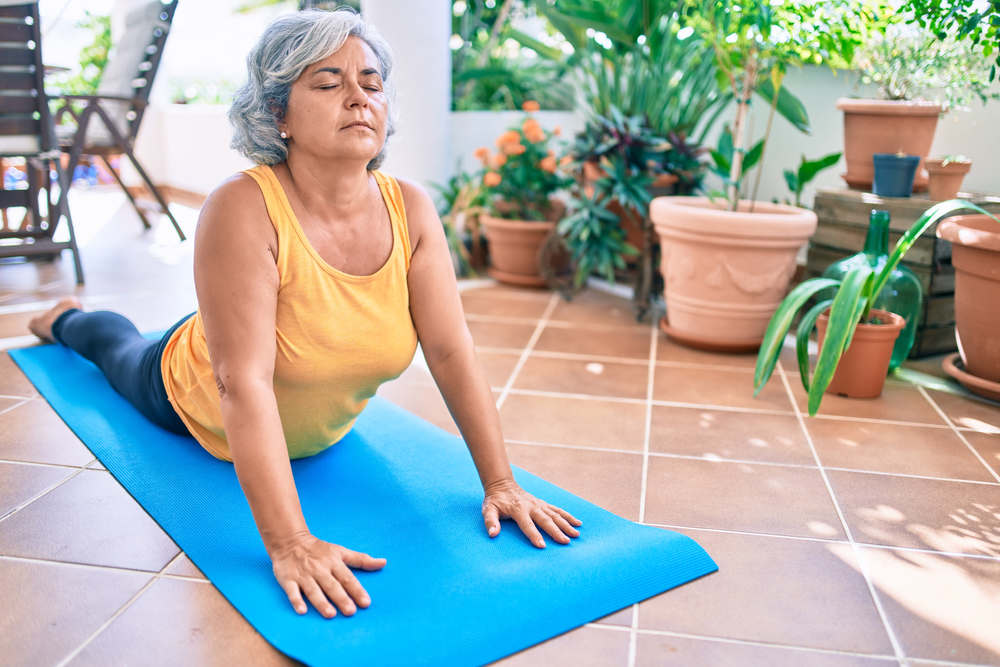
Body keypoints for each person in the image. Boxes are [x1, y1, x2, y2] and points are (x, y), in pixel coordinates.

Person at [27, 8, 581, 620]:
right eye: (327, 83)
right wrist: (290, 543)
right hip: (190, 395)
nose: (358, 98)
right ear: (277, 114)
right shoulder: (241, 206)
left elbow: (451, 351)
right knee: (116, 346)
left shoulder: (412, 209)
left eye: (370, 84)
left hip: (294, 399)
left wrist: (501, 483)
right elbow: (242, 383)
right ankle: (66, 319)